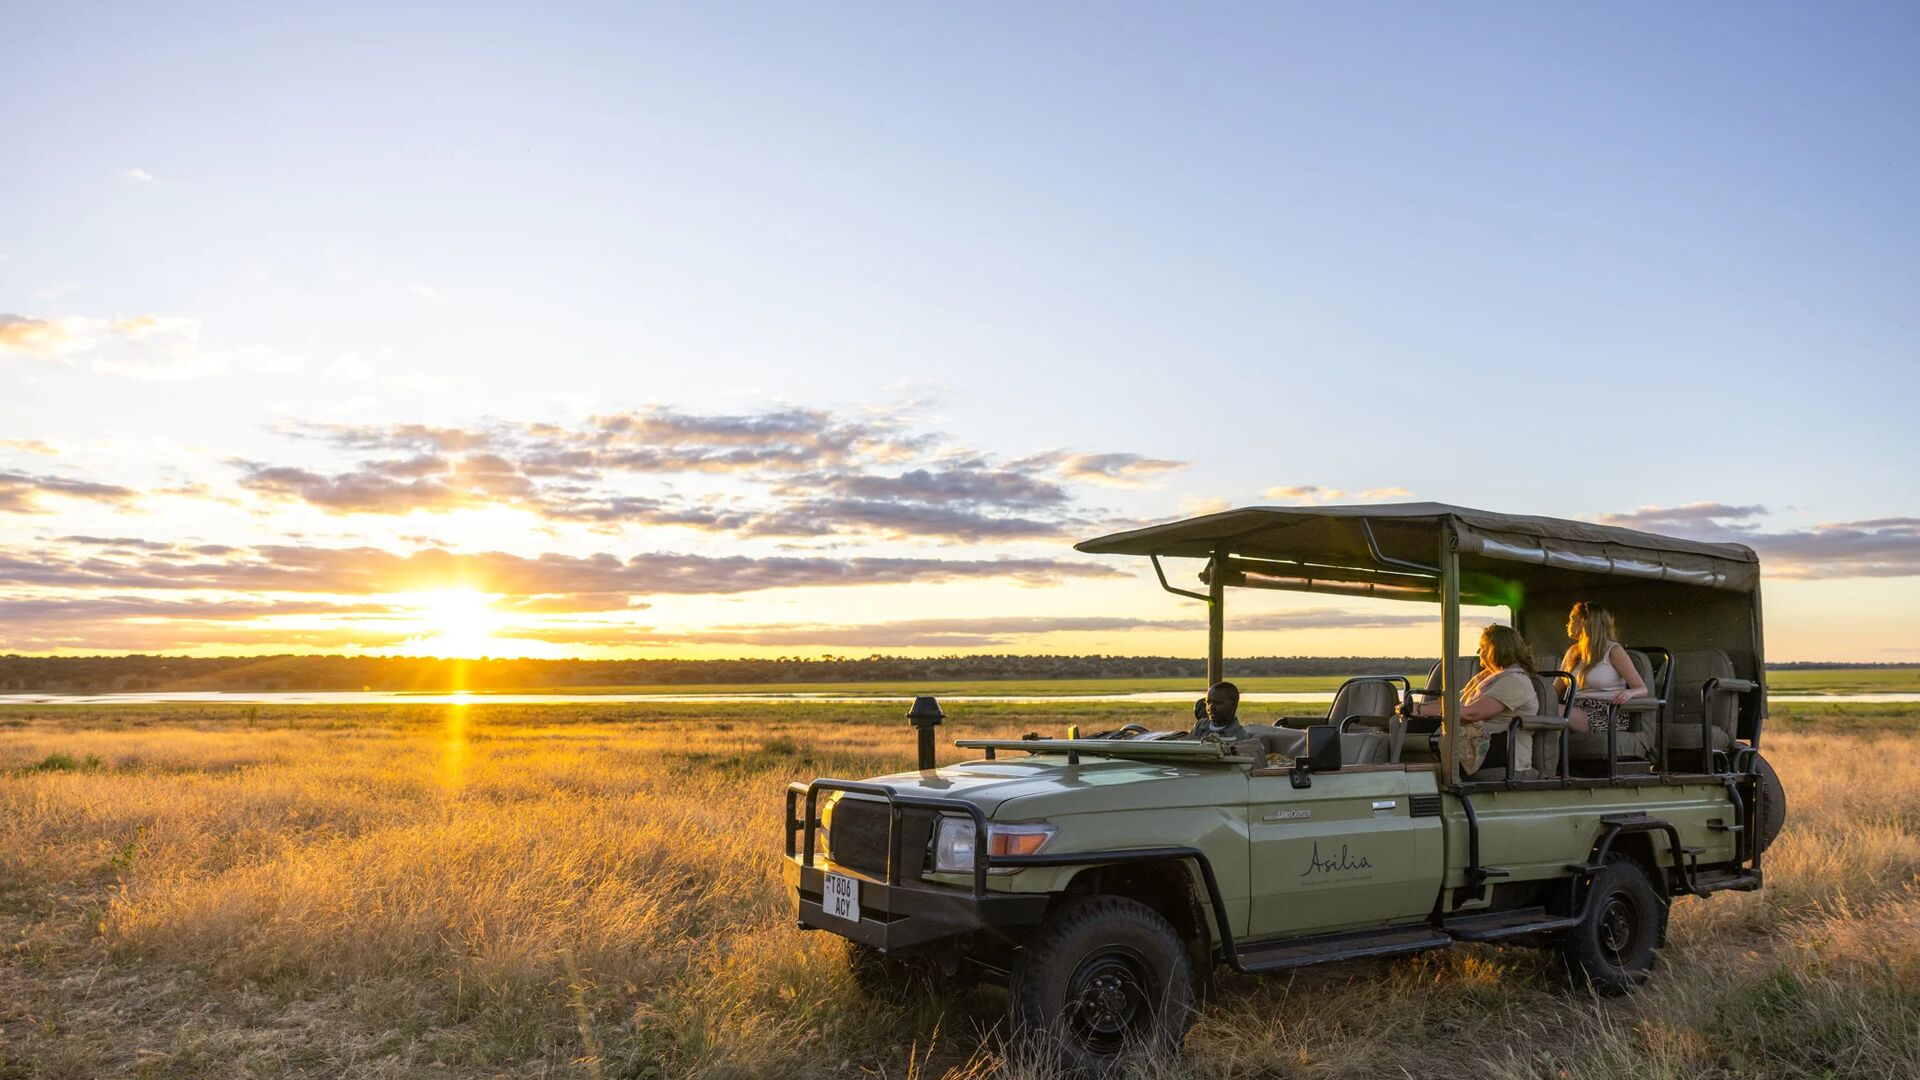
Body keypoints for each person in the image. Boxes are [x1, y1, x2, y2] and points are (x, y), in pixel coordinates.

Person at [1413, 625, 1539, 777]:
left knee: (1415, 730)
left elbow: (1471, 714)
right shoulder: (1485, 677)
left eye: (1483, 647)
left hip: (1498, 746)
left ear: (1496, 649)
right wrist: (1416, 707)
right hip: (1472, 736)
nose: (1479, 652)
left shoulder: (1515, 681)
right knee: (1404, 723)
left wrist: (1422, 711)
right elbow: (1454, 703)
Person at [1557, 601, 1648, 737]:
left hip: (1605, 712)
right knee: (1542, 709)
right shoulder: (1573, 652)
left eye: (1572, 619)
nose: (1568, 623)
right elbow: (1555, 689)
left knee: (1553, 710)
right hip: (1575, 708)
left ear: (1584, 621)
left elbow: (1642, 689)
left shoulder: (1613, 650)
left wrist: (1629, 694)